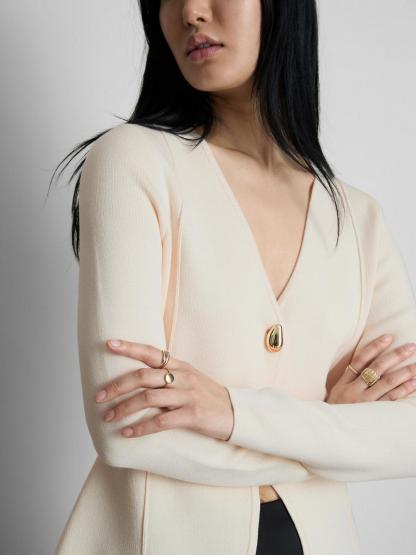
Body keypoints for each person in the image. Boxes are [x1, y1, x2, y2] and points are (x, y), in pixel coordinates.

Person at [52, 1, 416, 554]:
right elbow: (128, 430)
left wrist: (231, 412)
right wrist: (329, 432)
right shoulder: (134, 161)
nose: (191, 12)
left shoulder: (357, 217)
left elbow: (408, 435)